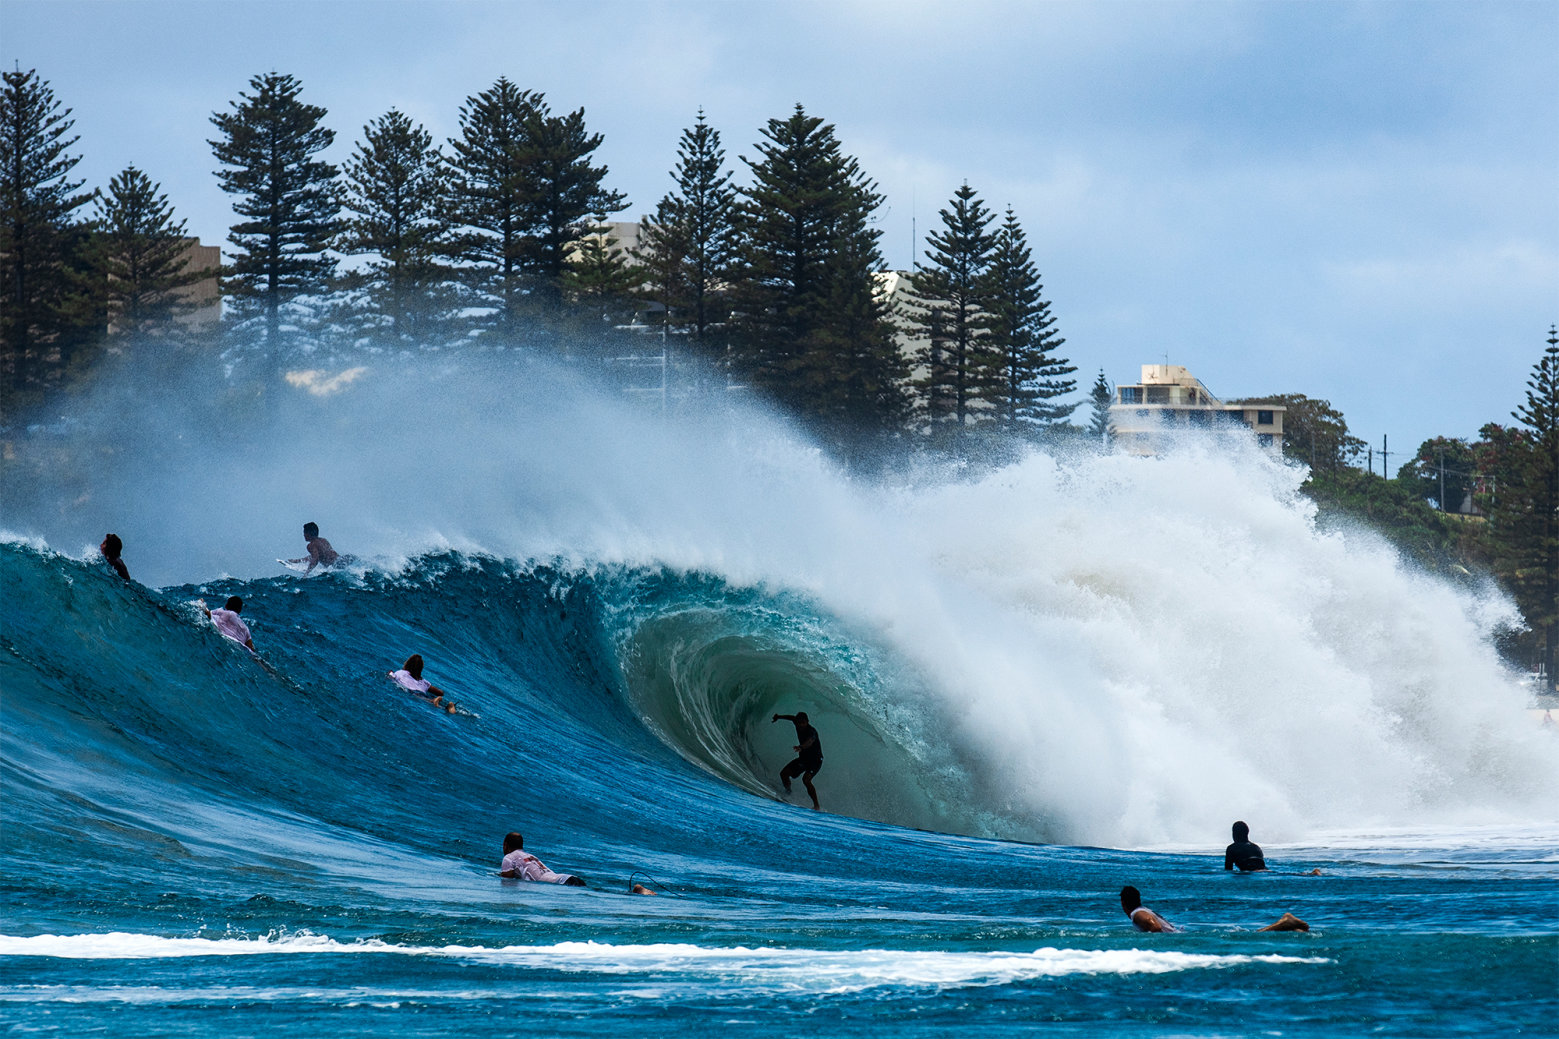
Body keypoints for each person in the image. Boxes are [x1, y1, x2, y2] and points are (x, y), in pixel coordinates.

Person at [772, 710, 823, 810]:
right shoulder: (796, 722)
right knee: (784, 773)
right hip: (804, 759)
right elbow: (791, 718)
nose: (800, 725)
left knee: (806, 780)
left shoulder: (812, 731)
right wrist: (779, 716)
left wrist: (801, 747)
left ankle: (816, 805)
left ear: (807, 722)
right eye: (799, 723)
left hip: (815, 760)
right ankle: (788, 793)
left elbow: (810, 741)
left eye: (803, 723)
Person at [499, 832, 585, 887]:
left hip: (562, 883)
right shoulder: (531, 856)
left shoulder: (509, 857)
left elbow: (507, 881)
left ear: (505, 845)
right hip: (570, 878)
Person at [387, 654, 457, 714]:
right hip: (422, 691)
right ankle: (449, 706)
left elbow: (391, 676)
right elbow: (440, 693)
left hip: (412, 691)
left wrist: (389, 674)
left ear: (407, 663)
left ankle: (433, 701)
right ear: (420, 669)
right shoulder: (424, 682)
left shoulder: (401, 672)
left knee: (419, 697)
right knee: (426, 697)